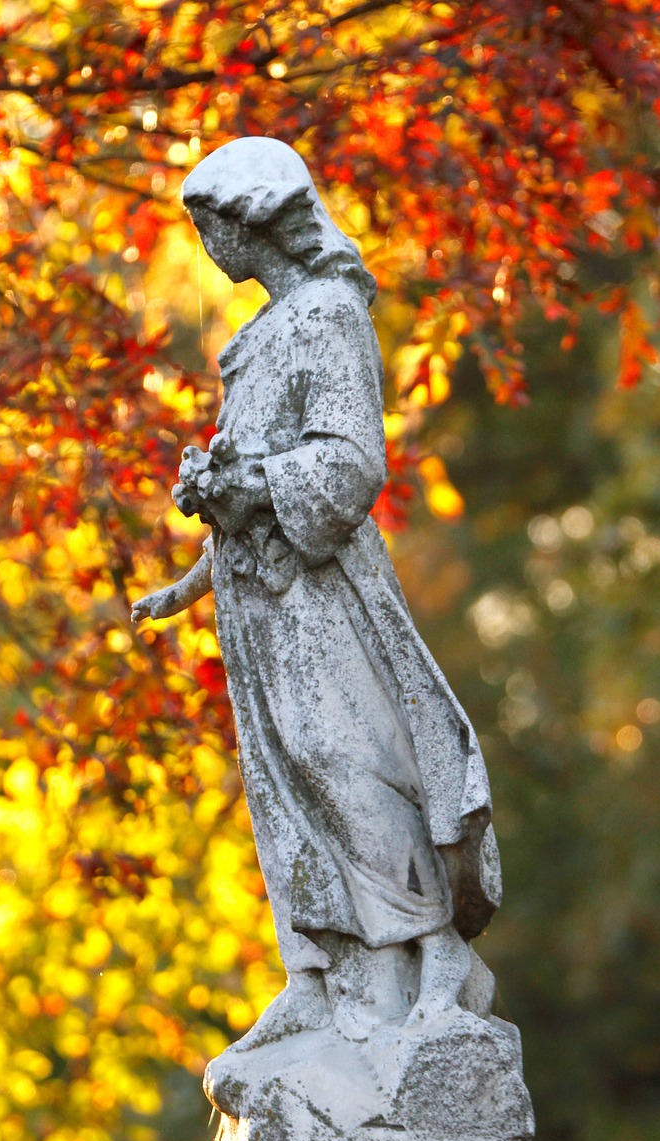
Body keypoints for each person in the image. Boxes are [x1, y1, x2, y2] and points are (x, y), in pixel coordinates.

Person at [131, 137, 501, 1048]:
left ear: (249, 222)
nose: (205, 245)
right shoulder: (257, 338)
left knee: (345, 764)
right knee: (288, 781)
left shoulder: (329, 314)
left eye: (208, 224)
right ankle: (330, 976)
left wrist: (242, 487)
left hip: (320, 597)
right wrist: (189, 575)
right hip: (259, 608)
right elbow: (246, 488)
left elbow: (347, 466)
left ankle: (435, 956)